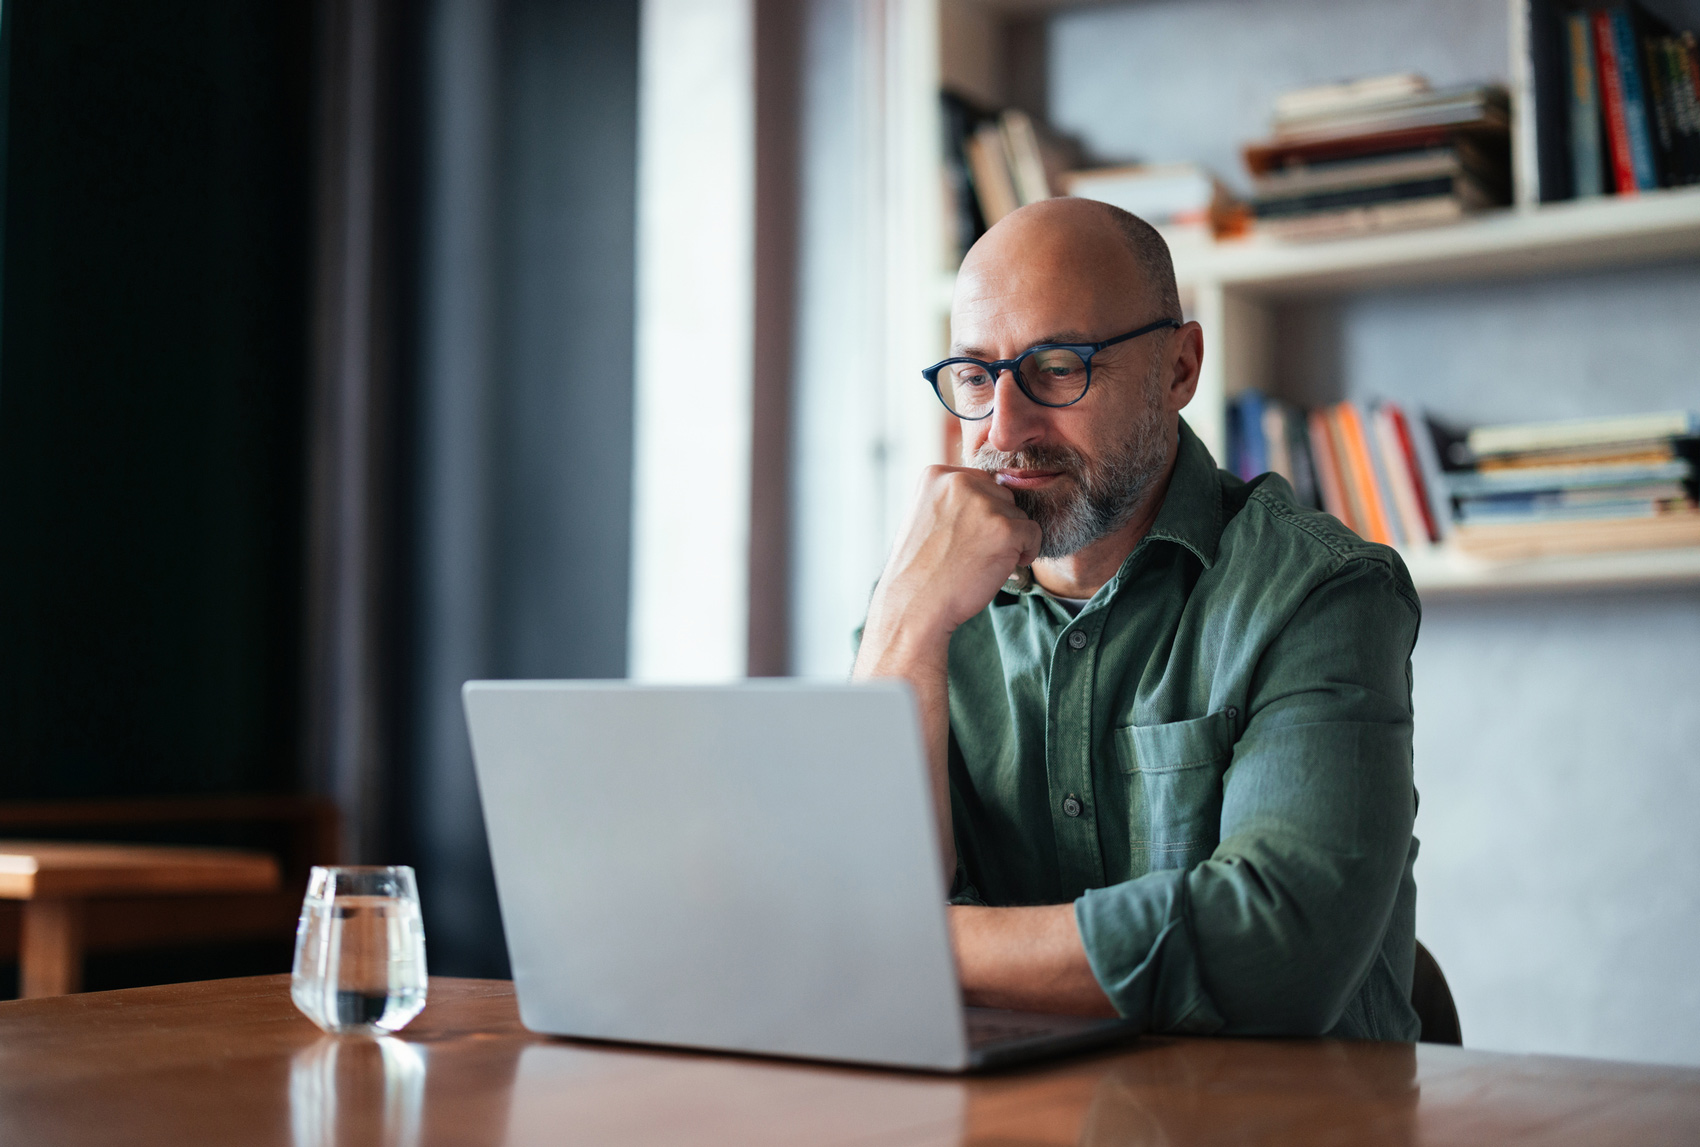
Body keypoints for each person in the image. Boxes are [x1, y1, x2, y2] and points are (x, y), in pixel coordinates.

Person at [852, 197, 1421, 1040]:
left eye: (1056, 367)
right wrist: (900, 623)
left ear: (1181, 367)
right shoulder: (920, 609)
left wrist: (908, 945)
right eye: (976, 376)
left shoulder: (1323, 594)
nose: (1004, 429)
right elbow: (852, 919)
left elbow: (1278, 950)